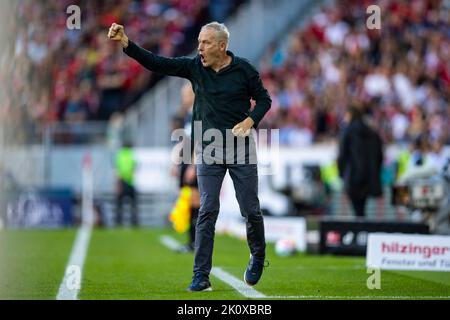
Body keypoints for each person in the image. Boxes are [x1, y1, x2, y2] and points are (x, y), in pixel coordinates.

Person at [108, 21, 272, 291]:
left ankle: (258, 255)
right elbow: (157, 63)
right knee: (207, 209)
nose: (200, 47)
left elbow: (264, 100)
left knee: (250, 210)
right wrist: (127, 43)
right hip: (208, 149)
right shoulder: (195, 67)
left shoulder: (244, 70)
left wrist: (251, 121)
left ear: (222, 46)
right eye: (199, 42)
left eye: (206, 42)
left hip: (241, 148)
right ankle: (200, 276)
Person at [337, 106, 383, 217]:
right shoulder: (372, 132)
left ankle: (359, 230)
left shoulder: (347, 132)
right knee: (362, 209)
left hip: (353, 177)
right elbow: (380, 156)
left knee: (357, 210)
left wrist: (342, 174)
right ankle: (362, 228)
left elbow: (342, 155)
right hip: (369, 177)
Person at [115, 142, 138, 227]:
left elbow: (117, 169)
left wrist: (117, 183)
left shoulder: (119, 154)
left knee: (119, 205)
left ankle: (118, 222)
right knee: (133, 205)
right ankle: (134, 222)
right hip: (130, 182)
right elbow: (134, 166)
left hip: (122, 181)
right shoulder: (131, 154)